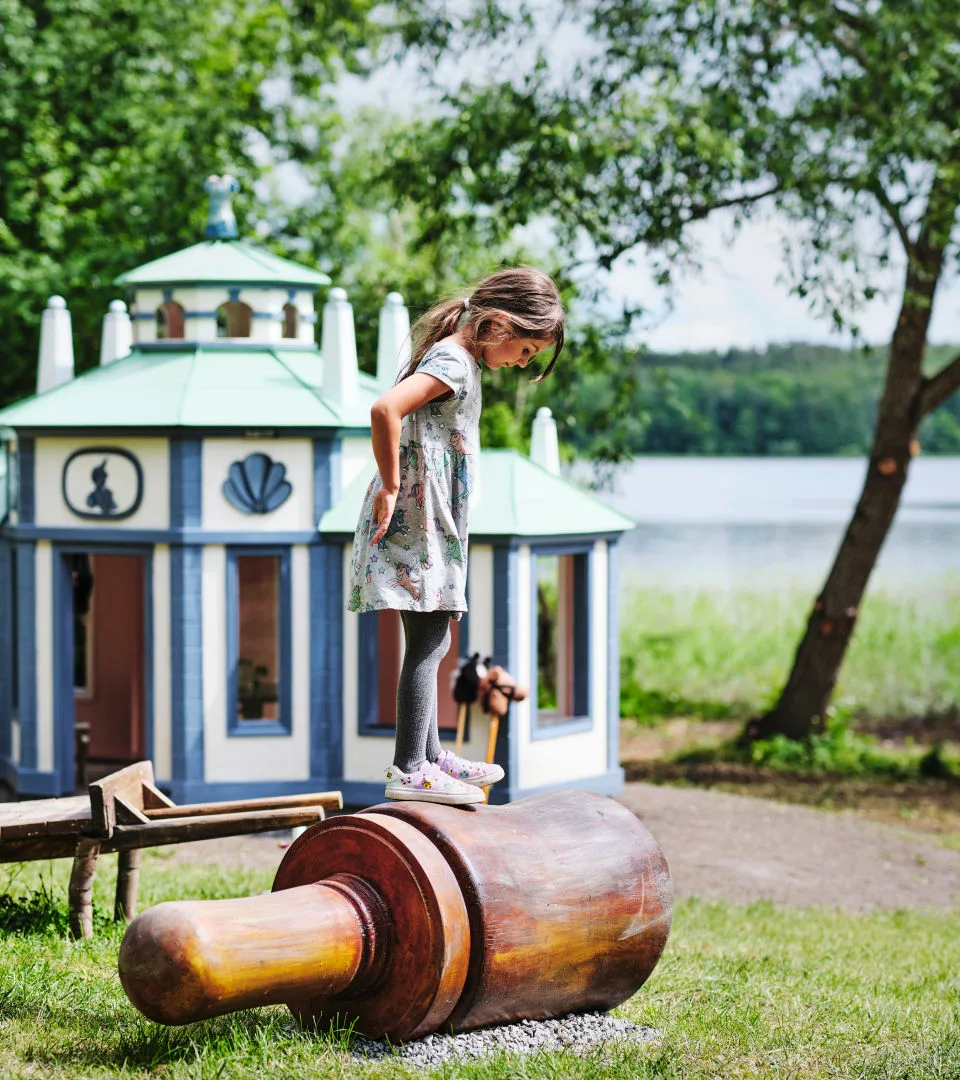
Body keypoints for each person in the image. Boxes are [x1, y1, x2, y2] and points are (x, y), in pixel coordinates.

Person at [347, 267, 565, 804]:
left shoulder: (459, 359)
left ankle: (429, 756)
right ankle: (409, 767)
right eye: (527, 349)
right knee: (429, 643)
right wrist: (392, 486)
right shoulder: (454, 360)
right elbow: (385, 408)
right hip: (418, 521)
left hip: (432, 522)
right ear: (499, 323)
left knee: (432, 638)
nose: (522, 362)